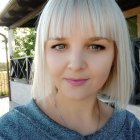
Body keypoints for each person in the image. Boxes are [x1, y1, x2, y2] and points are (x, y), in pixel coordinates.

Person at [0, 0, 140, 139]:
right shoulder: (10, 132)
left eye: (95, 46)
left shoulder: (132, 130)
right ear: (44, 54)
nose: (76, 64)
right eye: (60, 46)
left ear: (115, 55)